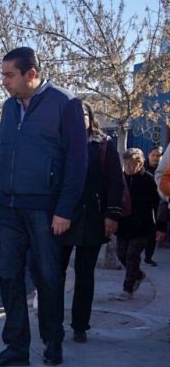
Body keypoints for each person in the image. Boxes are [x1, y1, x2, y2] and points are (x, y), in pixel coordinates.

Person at [0, 47, 87, 367]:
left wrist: (65, 209)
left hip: (46, 209)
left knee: (48, 277)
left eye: (9, 75)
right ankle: (16, 347)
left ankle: (52, 342)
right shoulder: (8, 108)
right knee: (8, 277)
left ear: (31, 74)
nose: (3, 82)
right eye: (2, 75)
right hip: (9, 206)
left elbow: (77, 161)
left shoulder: (64, 103)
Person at [58, 102, 123, 343]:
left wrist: (111, 215)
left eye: (83, 114)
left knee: (85, 274)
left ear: (90, 117)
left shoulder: (103, 144)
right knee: (57, 273)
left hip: (92, 218)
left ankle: (80, 326)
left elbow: (115, 182)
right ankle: (54, 324)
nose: (79, 118)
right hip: (62, 217)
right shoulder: (59, 141)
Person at [115, 149, 162, 300]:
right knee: (121, 254)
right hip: (123, 226)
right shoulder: (120, 179)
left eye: (132, 164)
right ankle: (139, 275)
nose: (128, 167)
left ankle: (127, 289)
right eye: (126, 163)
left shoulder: (148, 180)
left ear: (140, 164)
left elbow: (157, 204)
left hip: (142, 227)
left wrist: (160, 227)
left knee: (132, 255)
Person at [143, 146, 163, 266]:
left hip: (157, 205)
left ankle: (148, 256)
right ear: (149, 155)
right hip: (143, 204)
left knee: (153, 230)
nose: (155, 158)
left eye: (158, 156)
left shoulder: (163, 170)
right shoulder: (142, 168)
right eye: (153, 155)